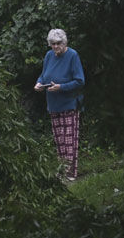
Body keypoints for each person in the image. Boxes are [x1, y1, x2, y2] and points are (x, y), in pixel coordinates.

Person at [34, 28, 85, 181]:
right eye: (52, 44)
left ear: (64, 42)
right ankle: (62, 170)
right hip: (53, 103)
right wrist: (39, 83)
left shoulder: (72, 55)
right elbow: (44, 75)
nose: (55, 46)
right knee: (59, 141)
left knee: (69, 140)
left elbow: (80, 81)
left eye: (58, 43)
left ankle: (70, 173)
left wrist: (61, 87)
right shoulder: (49, 55)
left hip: (69, 102)